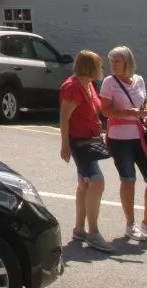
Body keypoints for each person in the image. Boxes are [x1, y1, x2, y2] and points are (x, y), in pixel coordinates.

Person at [101, 45, 147, 242]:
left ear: (127, 62)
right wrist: (130, 113)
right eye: (111, 61)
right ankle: (131, 225)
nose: (113, 65)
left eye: (117, 61)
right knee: (128, 181)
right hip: (119, 139)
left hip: (141, 137)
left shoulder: (138, 80)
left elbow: (145, 102)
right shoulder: (108, 83)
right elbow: (105, 110)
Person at [60, 50, 115, 252]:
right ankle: (93, 233)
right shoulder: (73, 87)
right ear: (90, 68)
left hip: (88, 141)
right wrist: (64, 145)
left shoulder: (88, 84)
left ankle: (79, 229)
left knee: (84, 183)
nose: (102, 69)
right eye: (99, 66)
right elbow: (64, 117)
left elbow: (98, 108)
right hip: (79, 142)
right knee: (96, 182)